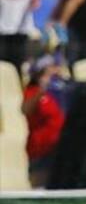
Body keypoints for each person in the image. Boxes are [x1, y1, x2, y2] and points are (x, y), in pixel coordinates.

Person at [21, 55, 66, 188]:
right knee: (40, 186)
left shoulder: (58, 90)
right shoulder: (32, 91)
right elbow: (25, 110)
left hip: (58, 146)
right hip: (40, 147)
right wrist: (41, 90)